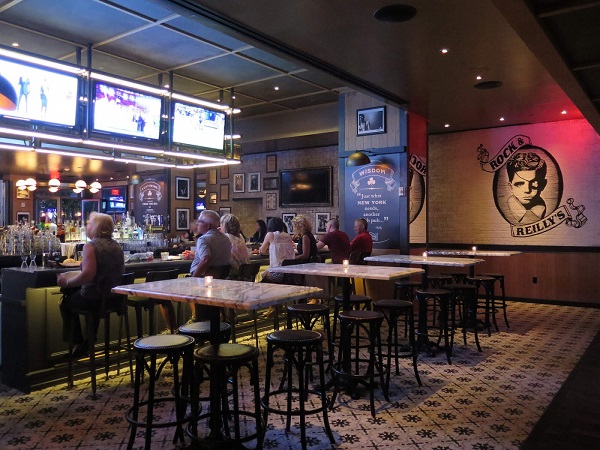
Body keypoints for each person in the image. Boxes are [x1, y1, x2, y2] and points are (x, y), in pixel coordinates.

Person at [57, 212, 124, 357]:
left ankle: (79, 343)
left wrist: (66, 282)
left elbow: (88, 275)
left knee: (66, 302)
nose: (86, 226)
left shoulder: (90, 246)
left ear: (96, 227)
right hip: (114, 299)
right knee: (93, 295)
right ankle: (89, 339)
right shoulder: (117, 245)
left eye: (89, 223)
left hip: (95, 299)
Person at [506, 151, 547, 225]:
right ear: (510, 187)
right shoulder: (507, 205)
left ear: (543, 185)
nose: (527, 190)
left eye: (533, 184)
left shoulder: (541, 207)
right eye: (519, 184)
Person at [259, 217, 294, 283]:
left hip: (277, 273)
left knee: (258, 275)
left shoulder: (270, 235)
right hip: (290, 273)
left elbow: (262, 251)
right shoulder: (288, 236)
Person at [220, 213, 250, 278]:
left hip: (233, 275)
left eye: (221, 224)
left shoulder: (226, 238)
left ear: (225, 226)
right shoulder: (241, 237)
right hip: (245, 274)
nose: (220, 226)